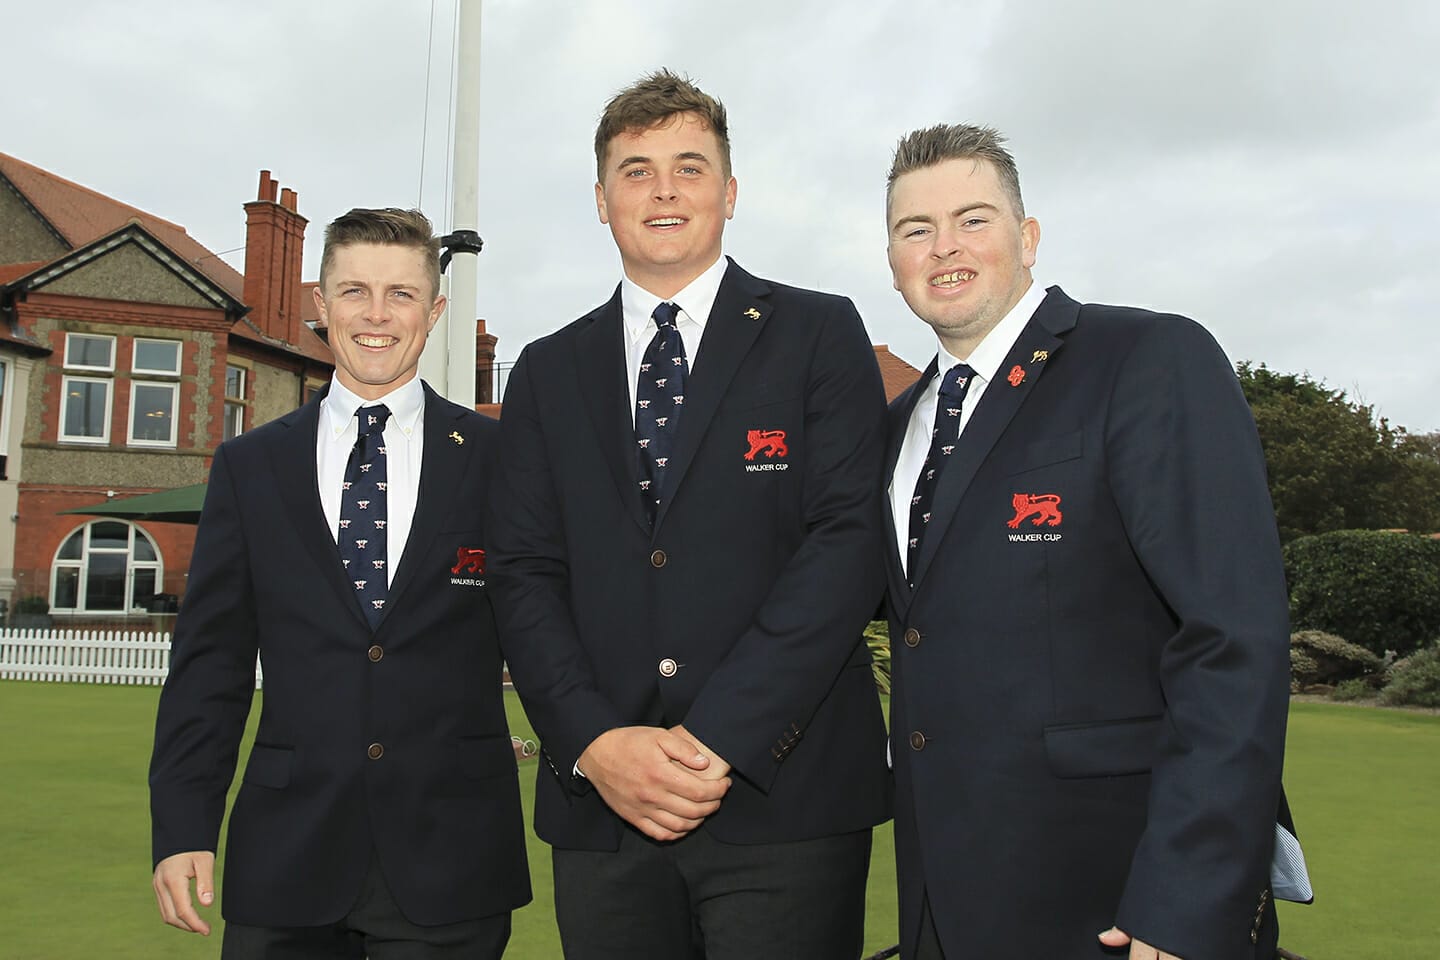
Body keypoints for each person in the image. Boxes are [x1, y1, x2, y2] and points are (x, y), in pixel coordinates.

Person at [486, 69, 890, 960]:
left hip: (787, 803)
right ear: (602, 201)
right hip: (605, 812)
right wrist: (595, 743)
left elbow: (847, 545)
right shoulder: (547, 371)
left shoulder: (820, 334)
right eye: (636, 171)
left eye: (689, 168)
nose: (663, 191)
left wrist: (719, 739)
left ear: (730, 191)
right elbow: (522, 573)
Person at [880, 124, 1294, 960]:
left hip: (1116, 901)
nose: (944, 246)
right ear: (893, 261)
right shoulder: (894, 429)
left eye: (973, 219)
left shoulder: (1146, 358)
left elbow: (1230, 639)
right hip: (943, 901)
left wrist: (1186, 900)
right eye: (915, 229)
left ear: (1028, 238)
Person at [149, 208, 530, 959]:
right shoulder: (251, 466)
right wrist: (184, 826)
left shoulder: (501, 458)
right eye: (355, 291)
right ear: (322, 306)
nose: (376, 315)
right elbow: (210, 665)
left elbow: (547, 629)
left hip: (453, 856)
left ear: (434, 312)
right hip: (286, 858)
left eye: (401, 294)